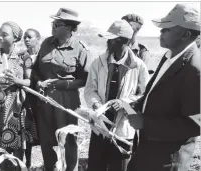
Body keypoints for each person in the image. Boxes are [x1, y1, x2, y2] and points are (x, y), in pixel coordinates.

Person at [126, 3, 200, 171]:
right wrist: (137, 105)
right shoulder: (169, 57)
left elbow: (194, 125)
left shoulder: (195, 69)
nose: (160, 32)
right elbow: (155, 94)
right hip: (147, 152)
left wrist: (146, 123)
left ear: (185, 34)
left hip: (167, 161)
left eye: (167, 29)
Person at [31, 8, 94, 171]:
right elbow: (35, 70)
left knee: (68, 140)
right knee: (47, 140)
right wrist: (39, 83)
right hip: (45, 99)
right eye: (53, 23)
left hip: (67, 100)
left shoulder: (80, 49)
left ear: (69, 27)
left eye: (57, 24)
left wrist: (62, 84)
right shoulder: (46, 43)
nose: (53, 26)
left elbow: (86, 80)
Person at [83, 20, 150, 171]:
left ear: (124, 41)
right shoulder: (98, 63)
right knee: (96, 165)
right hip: (100, 125)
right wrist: (96, 105)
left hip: (124, 126)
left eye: (113, 39)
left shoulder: (138, 66)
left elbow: (145, 94)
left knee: (119, 165)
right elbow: (89, 90)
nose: (109, 42)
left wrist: (124, 103)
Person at [0, 21, 36, 163]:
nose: (0, 38)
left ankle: (18, 166)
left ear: (15, 37)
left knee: (17, 141)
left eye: (5, 35)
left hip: (16, 106)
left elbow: (30, 82)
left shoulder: (23, 56)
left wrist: (16, 80)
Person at [22, 28, 41, 168]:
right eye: (25, 38)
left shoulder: (45, 55)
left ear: (38, 39)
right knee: (29, 135)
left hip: (43, 98)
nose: (27, 40)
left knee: (46, 133)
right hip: (29, 100)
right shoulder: (23, 56)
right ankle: (27, 164)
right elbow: (27, 78)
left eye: (30, 37)